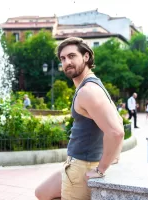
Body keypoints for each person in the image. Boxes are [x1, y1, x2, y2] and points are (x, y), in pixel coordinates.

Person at [35, 37, 124, 200]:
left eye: (72, 56)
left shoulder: (87, 91)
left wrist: (101, 169)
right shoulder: (94, 85)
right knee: (42, 193)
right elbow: (118, 121)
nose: (66, 62)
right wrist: (113, 157)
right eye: (63, 58)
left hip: (82, 167)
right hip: (76, 164)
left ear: (86, 57)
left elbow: (116, 132)